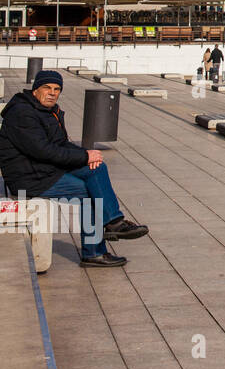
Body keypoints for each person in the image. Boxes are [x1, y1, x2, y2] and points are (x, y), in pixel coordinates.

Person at [0, 71, 148, 268]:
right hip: (31, 178)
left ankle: (113, 222)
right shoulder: (23, 113)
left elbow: (60, 144)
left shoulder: (46, 110)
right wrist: (85, 156)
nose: (52, 93)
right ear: (35, 90)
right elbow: (43, 151)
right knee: (91, 193)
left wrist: (87, 155)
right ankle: (95, 250)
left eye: (57, 89)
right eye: (47, 88)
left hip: (44, 169)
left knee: (96, 168)